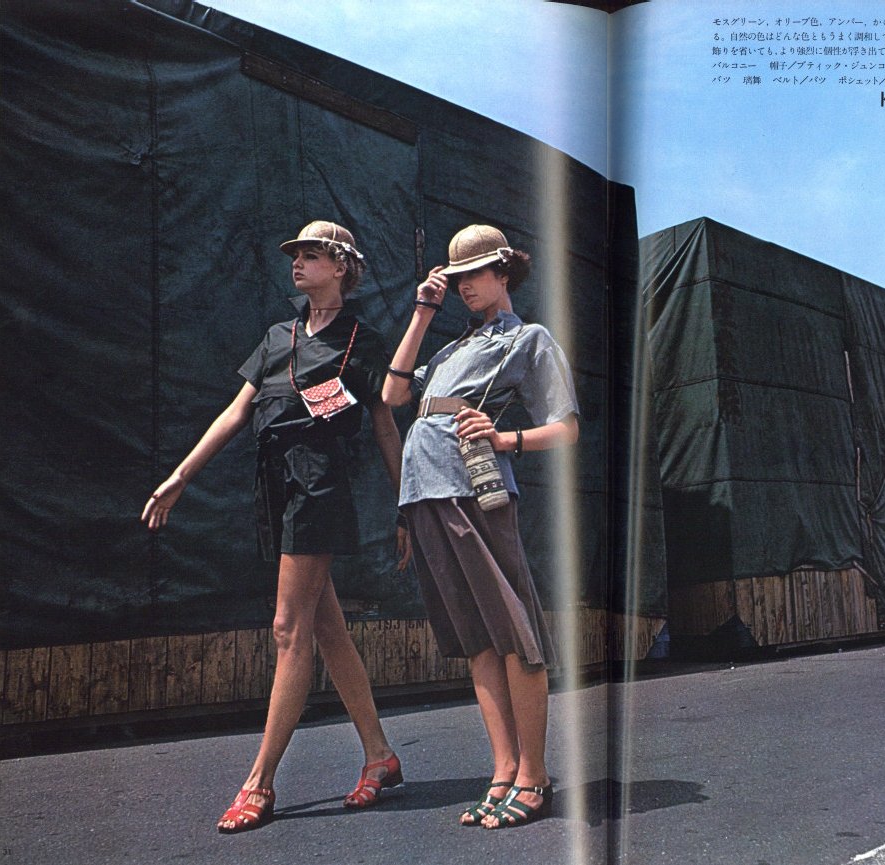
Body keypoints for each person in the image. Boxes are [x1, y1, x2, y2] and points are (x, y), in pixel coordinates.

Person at [141, 221, 404, 833]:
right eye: (295, 255)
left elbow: (386, 426)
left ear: (341, 267)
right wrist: (180, 476)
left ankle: (259, 782)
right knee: (326, 627)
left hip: (320, 484)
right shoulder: (276, 336)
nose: (297, 264)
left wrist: (406, 504)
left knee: (289, 629)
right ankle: (380, 755)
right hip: (276, 483)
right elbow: (236, 412)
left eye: (311, 255)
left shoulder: (363, 341)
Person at [382, 224, 579, 829]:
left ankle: (534, 776)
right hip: (424, 491)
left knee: (513, 633)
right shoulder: (449, 349)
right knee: (478, 641)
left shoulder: (528, 338)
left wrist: (506, 438)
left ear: (504, 273)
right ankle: (503, 770)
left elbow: (566, 427)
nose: (464, 286)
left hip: (475, 491)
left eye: (474, 274)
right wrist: (423, 312)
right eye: (457, 277)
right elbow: (392, 394)